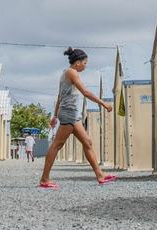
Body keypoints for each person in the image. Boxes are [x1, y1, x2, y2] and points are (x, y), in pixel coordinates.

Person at [39, 47, 115, 189]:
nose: (86, 66)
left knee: (87, 143)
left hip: (72, 114)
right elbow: (85, 92)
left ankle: (100, 175)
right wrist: (103, 103)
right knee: (57, 145)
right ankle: (44, 180)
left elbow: (60, 96)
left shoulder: (65, 73)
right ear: (78, 62)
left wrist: (55, 115)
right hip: (69, 114)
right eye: (85, 63)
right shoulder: (71, 73)